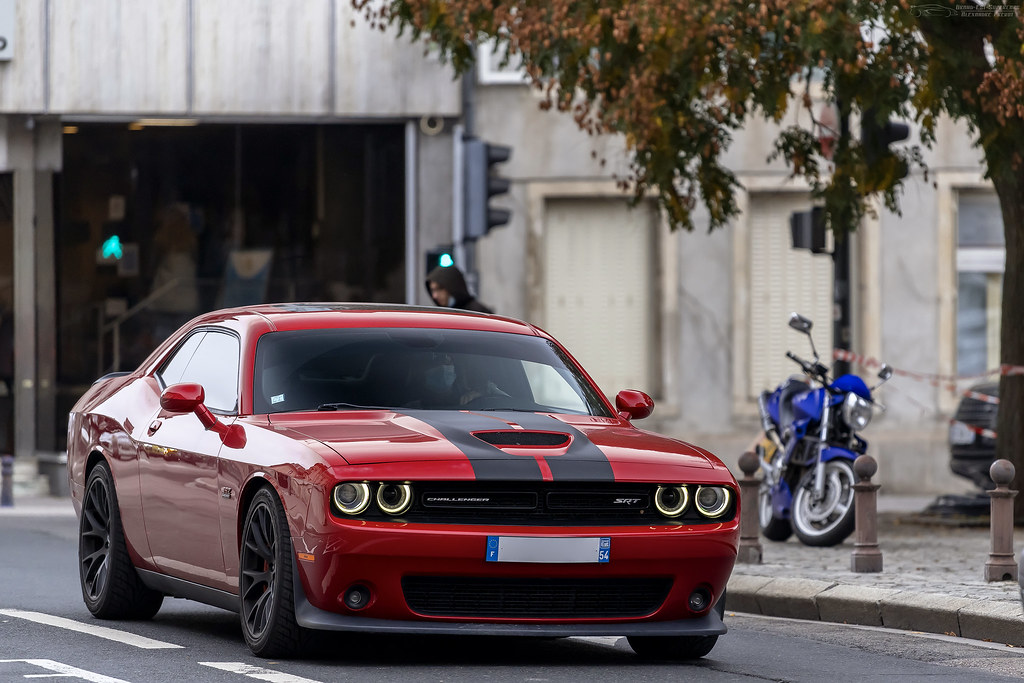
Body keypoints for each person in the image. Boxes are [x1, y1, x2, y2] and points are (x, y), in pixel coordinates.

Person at [425, 265, 493, 313]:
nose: (435, 296)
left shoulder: (478, 313)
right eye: (432, 290)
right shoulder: (443, 315)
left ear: (453, 287)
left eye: (439, 289)